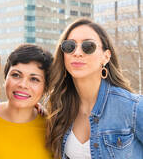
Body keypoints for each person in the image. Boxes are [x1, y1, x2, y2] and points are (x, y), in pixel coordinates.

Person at [46, 18, 143, 159]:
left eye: (88, 46)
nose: (77, 53)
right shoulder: (57, 107)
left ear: (106, 56)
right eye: (69, 46)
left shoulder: (132, 108)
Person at [0, 44, 53, 158]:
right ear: (5, 78)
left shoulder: (53, 130)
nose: (23, 85)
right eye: (16, 75)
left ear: (45, 88)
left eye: (34, 79)